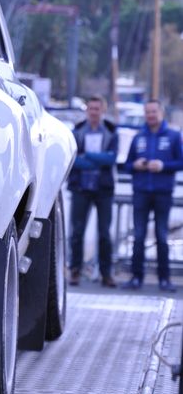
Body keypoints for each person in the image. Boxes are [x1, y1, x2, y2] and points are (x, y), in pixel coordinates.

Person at [122, 99, 183, 292]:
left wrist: (163, 166)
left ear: (161, 113)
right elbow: (127, 165)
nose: (150, 115)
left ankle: (164, 279)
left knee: (161, 236)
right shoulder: (138, 137)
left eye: (153, 112)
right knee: (138, 236)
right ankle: (136, 277)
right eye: (147, 112)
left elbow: (181, 162)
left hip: (163, 193)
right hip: (141, 192)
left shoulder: (174, 136)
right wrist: (136, 165)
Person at [68, 95, 118, 287]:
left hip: (103, 189)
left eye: (97, 109)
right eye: (91, 109)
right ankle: (75, 271)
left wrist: (88, 156)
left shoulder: (112, 132)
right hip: (81, 188)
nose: (94, 112)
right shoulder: (78, 131)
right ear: (87, 110)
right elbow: (73, 160)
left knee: (104, 233)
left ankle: (106, 273)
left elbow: (111, 160)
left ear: (103, 111)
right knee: (77, 232)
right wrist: (98, 160)